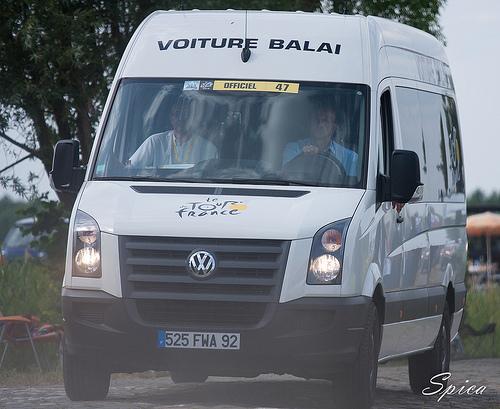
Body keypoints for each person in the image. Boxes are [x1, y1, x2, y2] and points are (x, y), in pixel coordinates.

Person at [129, 96, 218, 167]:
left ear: (192, 117)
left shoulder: (208, 148)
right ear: (171, 118)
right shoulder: (155, 142)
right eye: (176, 114)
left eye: (184, 114)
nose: (180, 118)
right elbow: (130, 167)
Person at [283, 101, 358, 177]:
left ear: (334, 127)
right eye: (316, 119)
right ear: (310, 123)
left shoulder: (350, 157)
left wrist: (320, 153)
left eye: (325, 120)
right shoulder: (293, 148)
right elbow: (284, 175)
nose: (320, 124)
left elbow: (351, 186)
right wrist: (302, 155)